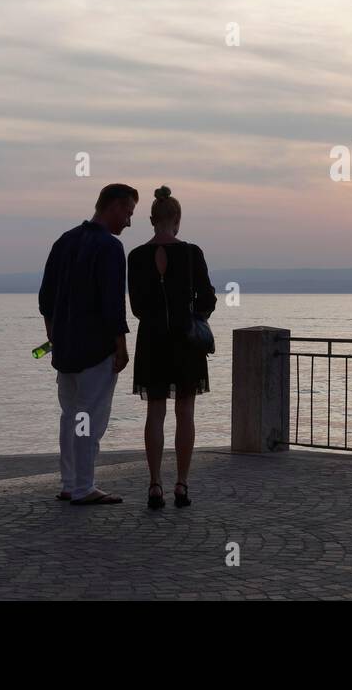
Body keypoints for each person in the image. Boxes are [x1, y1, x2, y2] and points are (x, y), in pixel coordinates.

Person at [39, 183, 138, 505]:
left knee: (69, 416)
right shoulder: (109, 247)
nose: (129, 221)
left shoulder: (64, 241)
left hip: (65, 347)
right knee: (89, 418)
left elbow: (46, 297)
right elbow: (112, 301)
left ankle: (70, 482)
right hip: (95, 348)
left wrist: (53, 333)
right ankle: (84, 486)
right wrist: (121, 344)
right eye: (128, 212)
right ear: (113, 206)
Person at [127, 185, 217, 509]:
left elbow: (136, 307)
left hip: (151, 340)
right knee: (185, 412)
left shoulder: (136, 257)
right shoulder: (192, 253)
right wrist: (192, 313)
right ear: (177, 219)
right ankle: (181, 484)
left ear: (152, 219)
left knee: (155, 413)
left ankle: (154, 486)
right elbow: (208, 299)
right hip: (185, 342)